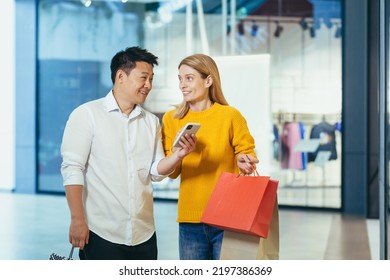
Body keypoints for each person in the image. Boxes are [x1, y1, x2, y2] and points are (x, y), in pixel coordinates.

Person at [60, 46, 196, 260]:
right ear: (120, 76)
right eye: (143, 78)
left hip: (144, 234)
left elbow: (155, 171)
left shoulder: (151, 122)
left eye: (151, 79)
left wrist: (178, 155)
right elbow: (72, 169)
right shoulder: (87, 115)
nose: (148, 85)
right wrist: (77, 220)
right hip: (101, 232)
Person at [161, 53, 259, 260]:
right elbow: (172, 173)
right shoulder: (172, 119)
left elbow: (246, 151)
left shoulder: (230, 115)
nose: (182, 84)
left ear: (208, 80)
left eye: (189, 78)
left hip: (228, 217)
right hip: (190, 219)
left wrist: (244, 159)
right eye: (180, 78)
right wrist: (179, 155)